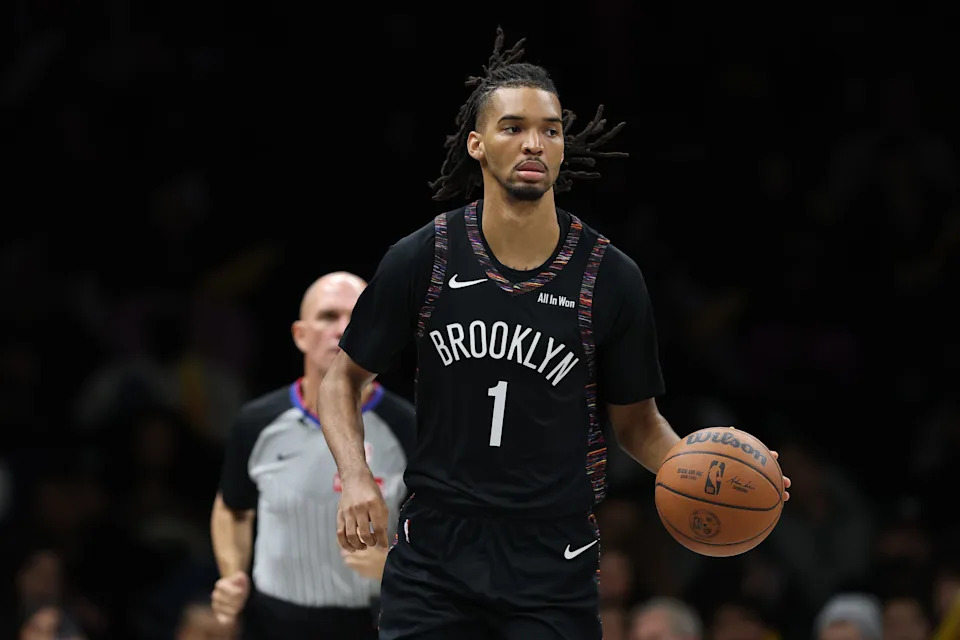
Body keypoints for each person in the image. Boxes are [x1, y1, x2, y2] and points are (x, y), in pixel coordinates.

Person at [317, 28, 791, 640]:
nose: (533, 142)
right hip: (437, 549)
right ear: (477, 144)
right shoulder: (425, 257)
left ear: (564, 150)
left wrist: (717, 468)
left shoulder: (610, 277)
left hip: (552, 558)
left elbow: (638, 425)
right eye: (512, 127)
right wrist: (356, 475)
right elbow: (343, 379)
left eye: (550, 129)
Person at [210, 272, 416, 640]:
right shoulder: (258, 423)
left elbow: (443, 530)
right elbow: (232, 508)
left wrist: (396, 564)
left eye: (355, 318)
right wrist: (231, 573)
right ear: (299, 335)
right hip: (274, 621)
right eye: (327, 316)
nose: (342, 329)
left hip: (373, 622)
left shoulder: (408, 427)